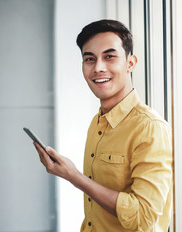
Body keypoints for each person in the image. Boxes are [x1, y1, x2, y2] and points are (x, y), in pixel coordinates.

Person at [33, 19, 172, 232]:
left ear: (130, 63)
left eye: (109, 57)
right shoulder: (98, 122)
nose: (98, 67)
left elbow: (143, 217)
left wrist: (74, 177)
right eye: (90, 59)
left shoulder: (149, 128)